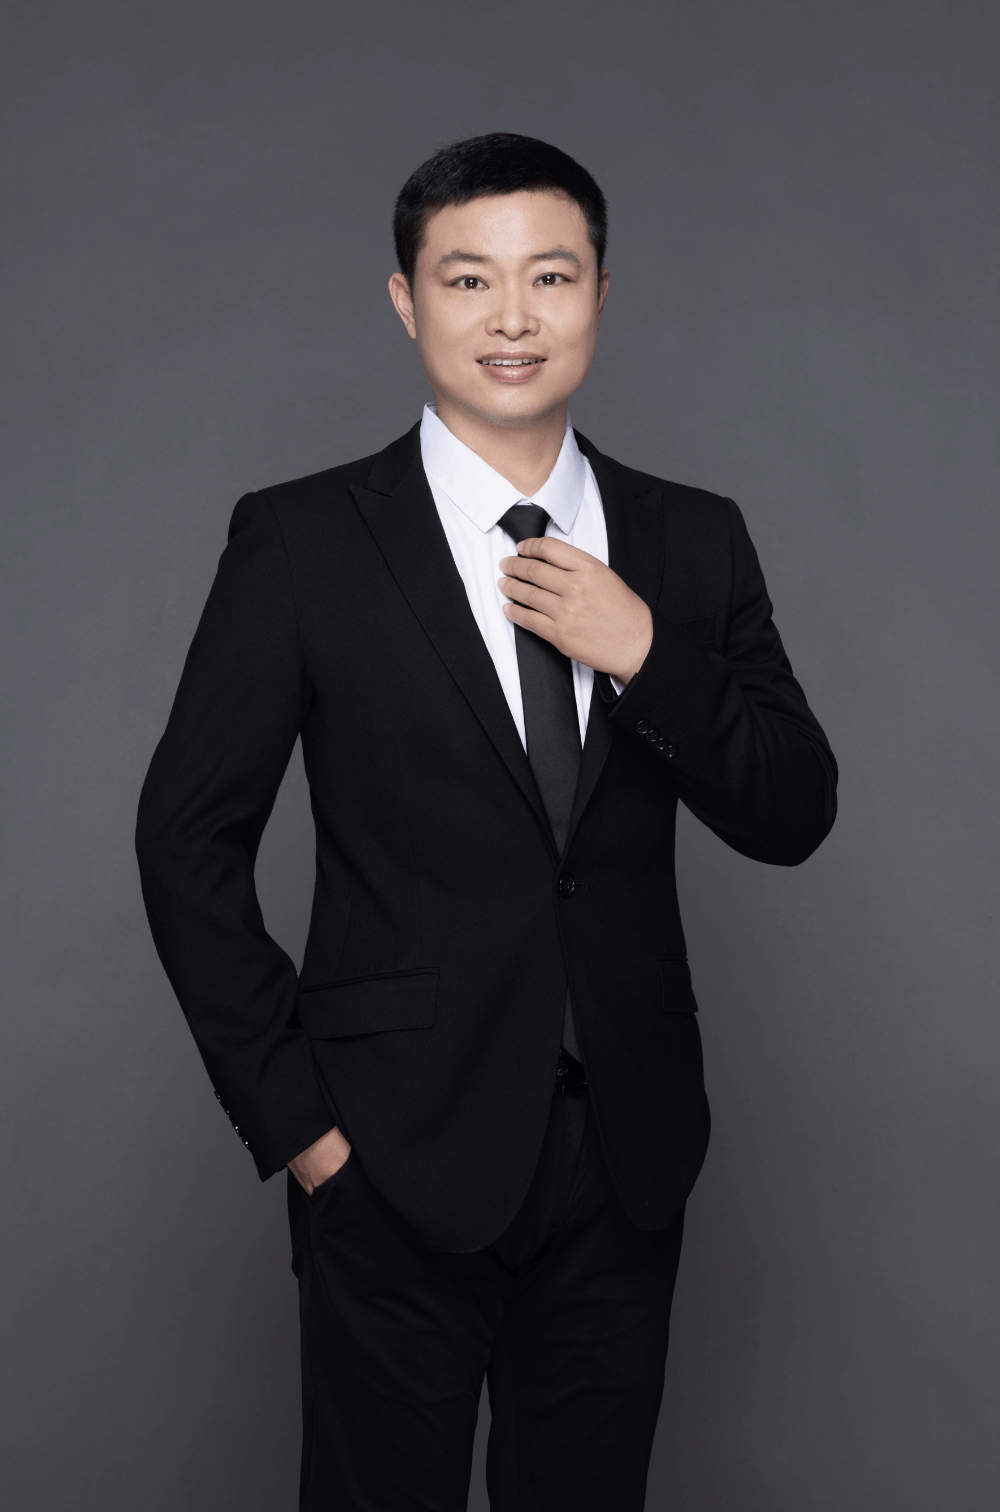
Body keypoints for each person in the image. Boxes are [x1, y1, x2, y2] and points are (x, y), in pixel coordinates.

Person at [136, 132, 837, 1511]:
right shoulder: (303, 542)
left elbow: (794, 808)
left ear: (601, 294)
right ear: (408, 301)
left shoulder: (693, 539)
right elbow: (184, 841)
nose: (513, 317)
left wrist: (647, 654)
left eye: (550, 277)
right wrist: (303, 1131)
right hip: (385, 1154)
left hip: (626, 1160)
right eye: (470, 279)